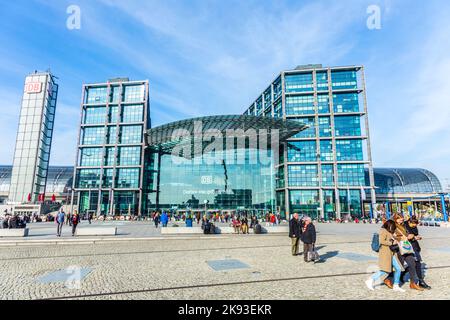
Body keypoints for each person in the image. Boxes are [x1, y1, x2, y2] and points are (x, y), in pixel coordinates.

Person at [365, 220, 405, 292]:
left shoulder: (389, 231)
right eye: (392, 227)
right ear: (389, 225)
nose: (392, 229)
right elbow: (382, 241)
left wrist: (394, 238)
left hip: (391, 253)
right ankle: (370, 280)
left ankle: (396, 285)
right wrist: (392, 242)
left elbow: (389, 239)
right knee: (385, 270)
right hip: (385, 253)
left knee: (398, 268)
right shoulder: (383, 231)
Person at [391, 213, 424, 291]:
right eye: (399, 219)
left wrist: (414, 237)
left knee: (412, 263)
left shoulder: (403, 225)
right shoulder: (392, 226)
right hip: (399, 249)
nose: (401, 220)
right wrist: (406, 237)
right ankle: (388, 279)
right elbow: (393, 237)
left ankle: (413, 283)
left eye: (402, 218)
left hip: (406, 248)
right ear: (395, 219)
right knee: (399, 266)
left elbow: (406, 235)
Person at [404, 216, 431, 289]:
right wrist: (410, 237)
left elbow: (415, 234)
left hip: (414, 247)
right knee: (411, 264)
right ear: (409, 222)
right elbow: (402, 237)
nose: (415, 226)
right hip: (406, 248)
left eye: (416, 224)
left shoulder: (414, 227)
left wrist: (417, 237)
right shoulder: (403, 226)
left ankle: (420, 281)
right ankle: (401, 274)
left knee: (417, 263)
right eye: (413, 224)